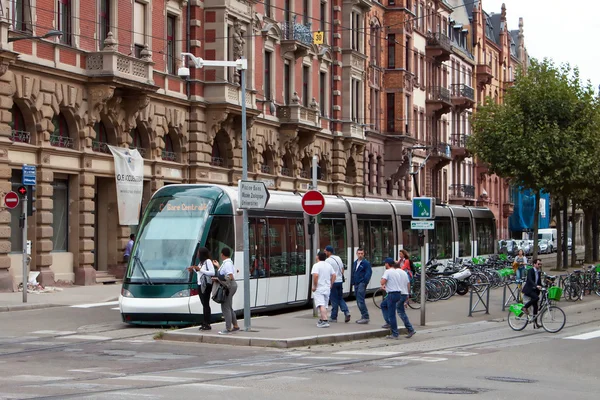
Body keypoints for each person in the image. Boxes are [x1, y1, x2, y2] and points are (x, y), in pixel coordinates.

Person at [380, 258, 413, 339]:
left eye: (385, 263)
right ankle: (391, 323)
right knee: (384, 305)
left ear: (388, 264)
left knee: (393, 314)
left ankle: (395, 333)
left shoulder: (389, 271)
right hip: (400, 293)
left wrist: (384, 284)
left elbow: (382, 282)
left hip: (393, 294)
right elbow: (406, 283)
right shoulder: (398, 272)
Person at [212, 248, 240, 335]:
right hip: (231, 286)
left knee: (225, 307)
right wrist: (218, 266)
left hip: (229, 286)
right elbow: (225, 272)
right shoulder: (227, 263)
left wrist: (219, 279)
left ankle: (228, 328)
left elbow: (230, 276)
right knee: (229, 306)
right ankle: (235, 326)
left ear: (222, 254)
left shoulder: (227, 264)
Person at [188, 247, 215, 331]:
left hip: (206, 285)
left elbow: (212, 272)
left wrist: (200, 269)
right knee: (203, 303)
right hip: (200, 284)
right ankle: (205, 322)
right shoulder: (201, 262)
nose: (197, 255)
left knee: (206, 303)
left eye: (199, 253)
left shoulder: (208, 261)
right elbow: (200, 272)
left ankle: (207, 323)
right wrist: (194, 269)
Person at [324, 245, 350, 323]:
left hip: (333, 282)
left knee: (334, 300)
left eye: (325, 251)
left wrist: (329, 282)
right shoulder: (338, 258)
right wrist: (339, 276)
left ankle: (334, 317)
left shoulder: (327, 261)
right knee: (340, 298)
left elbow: (328, 272)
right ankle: (346, 312)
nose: (324, 252)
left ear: (329, 252)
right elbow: (342, 269)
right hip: (339, 281)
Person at [311, 251, 336, 328]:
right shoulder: (328, 265)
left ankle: (325, 320)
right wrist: (331, 284)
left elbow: (315, 276)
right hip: (327, 288)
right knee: (324, 305)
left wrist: (315, 286)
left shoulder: (316, 265)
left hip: (319, 288)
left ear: (317, 257)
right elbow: (334, 275)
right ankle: (322, 319)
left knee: (321, 304)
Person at [352, 248, 372, 324]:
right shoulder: (355, 263)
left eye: (361, 253)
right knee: (358, 300)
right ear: (356, 254)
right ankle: (363, 316)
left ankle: (365, 316)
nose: (360, 255)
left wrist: (364, 282)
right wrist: (353, 282)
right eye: (359, 253)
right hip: (357, 283)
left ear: (364, 254)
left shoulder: (366, 263)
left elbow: (368, 273)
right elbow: (354, 272)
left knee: (360, 300)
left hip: (361, 283)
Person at [522, 258, 543, 326]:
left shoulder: (539, 272)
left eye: (540, 264)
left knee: (535, 306)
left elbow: (539, 282)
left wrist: (543, 287)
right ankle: (525, 307)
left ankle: (535, 323)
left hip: (534, 290)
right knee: (536, 298)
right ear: (534, 264)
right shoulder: (530, 270)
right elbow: (530, 280)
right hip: (529, 289)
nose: (540, 265)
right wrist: (536, 285)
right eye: (538, 264)